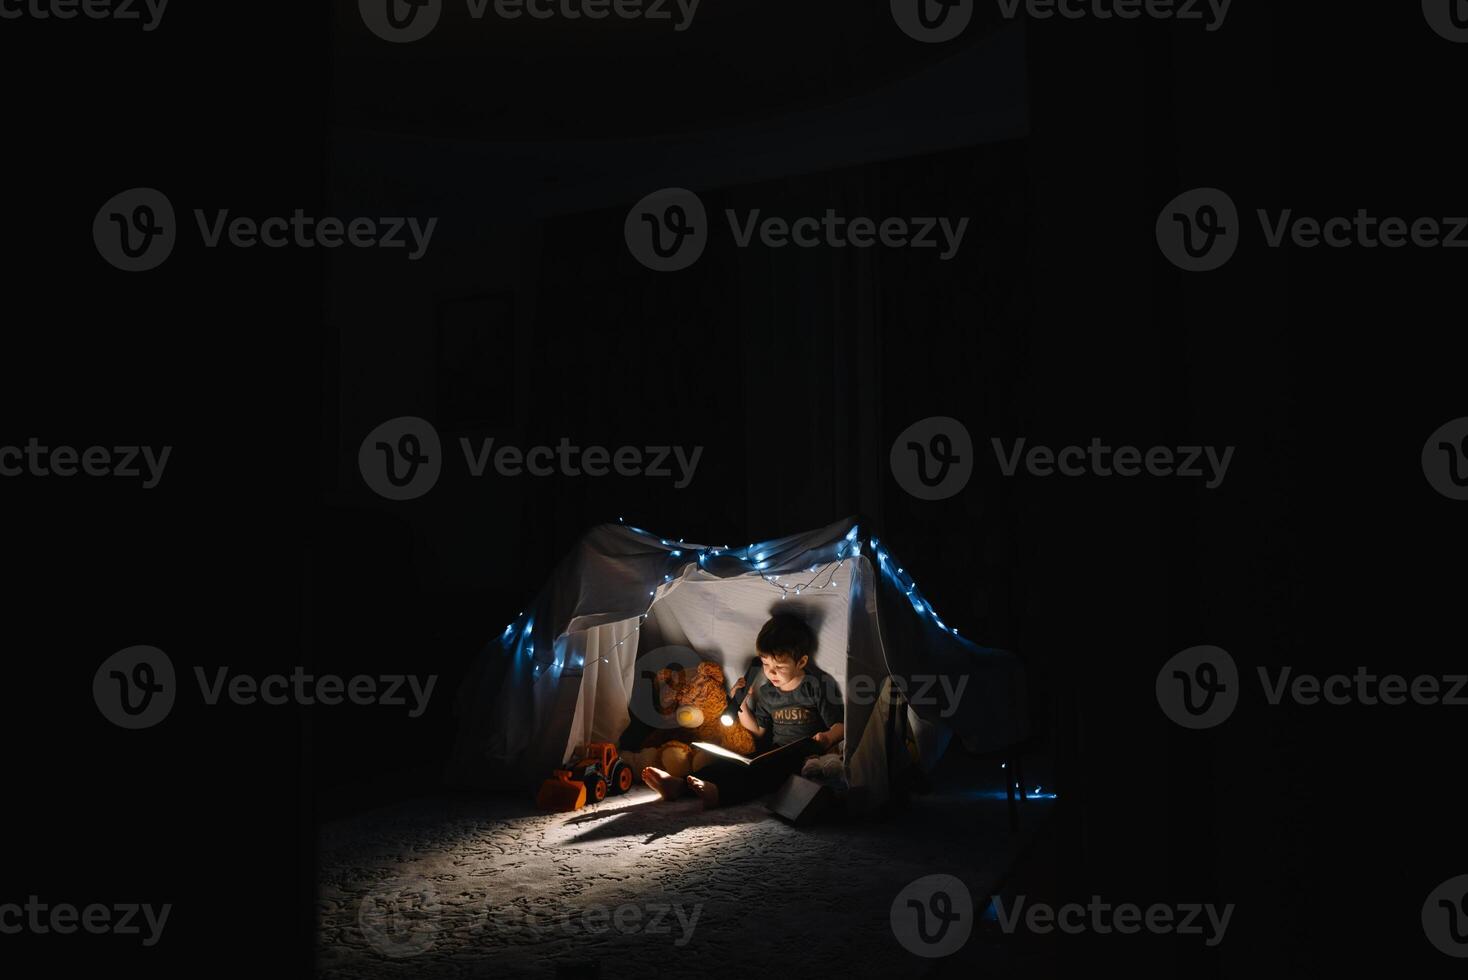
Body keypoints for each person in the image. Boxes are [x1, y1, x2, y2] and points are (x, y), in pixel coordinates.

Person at [641, 613, 844, 809]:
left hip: (806, 757)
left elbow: (841, 725)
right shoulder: (767, 693)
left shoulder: (816, 686)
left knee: (759, 776)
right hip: (773, 751)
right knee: (731, 763)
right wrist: (742, 704)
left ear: (801, 662)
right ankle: (680, 784)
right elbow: (758, 731)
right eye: (765, 664)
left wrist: (826, 737)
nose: (771, 672)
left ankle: (721, 795)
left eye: (779, 667)